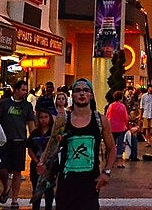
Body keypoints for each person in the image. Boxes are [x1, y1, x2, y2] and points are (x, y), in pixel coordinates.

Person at [46, 79, 113, 210]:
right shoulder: (62, 120)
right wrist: (43, 166)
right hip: (66, 183)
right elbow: (51, 147)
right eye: (78, 90)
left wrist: (106, 172)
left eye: (86, 90)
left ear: (91, 95)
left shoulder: (100, 120)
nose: (82, 93)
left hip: (90, 183)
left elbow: (112, 149)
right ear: (72, 96)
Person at [0, 80, 36, 207]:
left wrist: (33, 139)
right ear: (16, 89)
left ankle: (14, 198)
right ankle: (6, 186)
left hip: (20, 141)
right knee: (1, 167)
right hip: (4, 141)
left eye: (26, 90)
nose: (25, 92)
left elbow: (31, 123)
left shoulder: (27, 106)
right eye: (23, 90)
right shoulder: (4, 104)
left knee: (17, 170)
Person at [27, 109, 54, 210]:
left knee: (49, 190)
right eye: (41, 117)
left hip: (50, 166)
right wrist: (37, 162)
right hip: (36, 165)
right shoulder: (35, 133)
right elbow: (30, 150)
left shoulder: (53, 133)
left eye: (46, 117)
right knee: (36, 190)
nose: (43, 120)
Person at [104, 90, 130, 168]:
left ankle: (109, 161)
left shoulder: (111, 106)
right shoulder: (122, 106)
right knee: (120, 144)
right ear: (121, 98)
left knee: (111, 144)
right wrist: (126, 125)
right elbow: (126, 118)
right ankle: (119, 162)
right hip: (120, 128)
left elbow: (107, 116)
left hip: (111, 128)